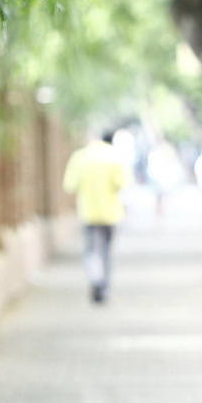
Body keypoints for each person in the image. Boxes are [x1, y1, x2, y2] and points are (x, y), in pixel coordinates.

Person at [62, 129, 127, 303]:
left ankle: (96, 279)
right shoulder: (113, 156)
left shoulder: (80, 157)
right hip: (111, 214)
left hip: (89, 213)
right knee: (107, 252)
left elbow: (70, 185)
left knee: (92, 251)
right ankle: (105, 286)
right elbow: (121, 183)